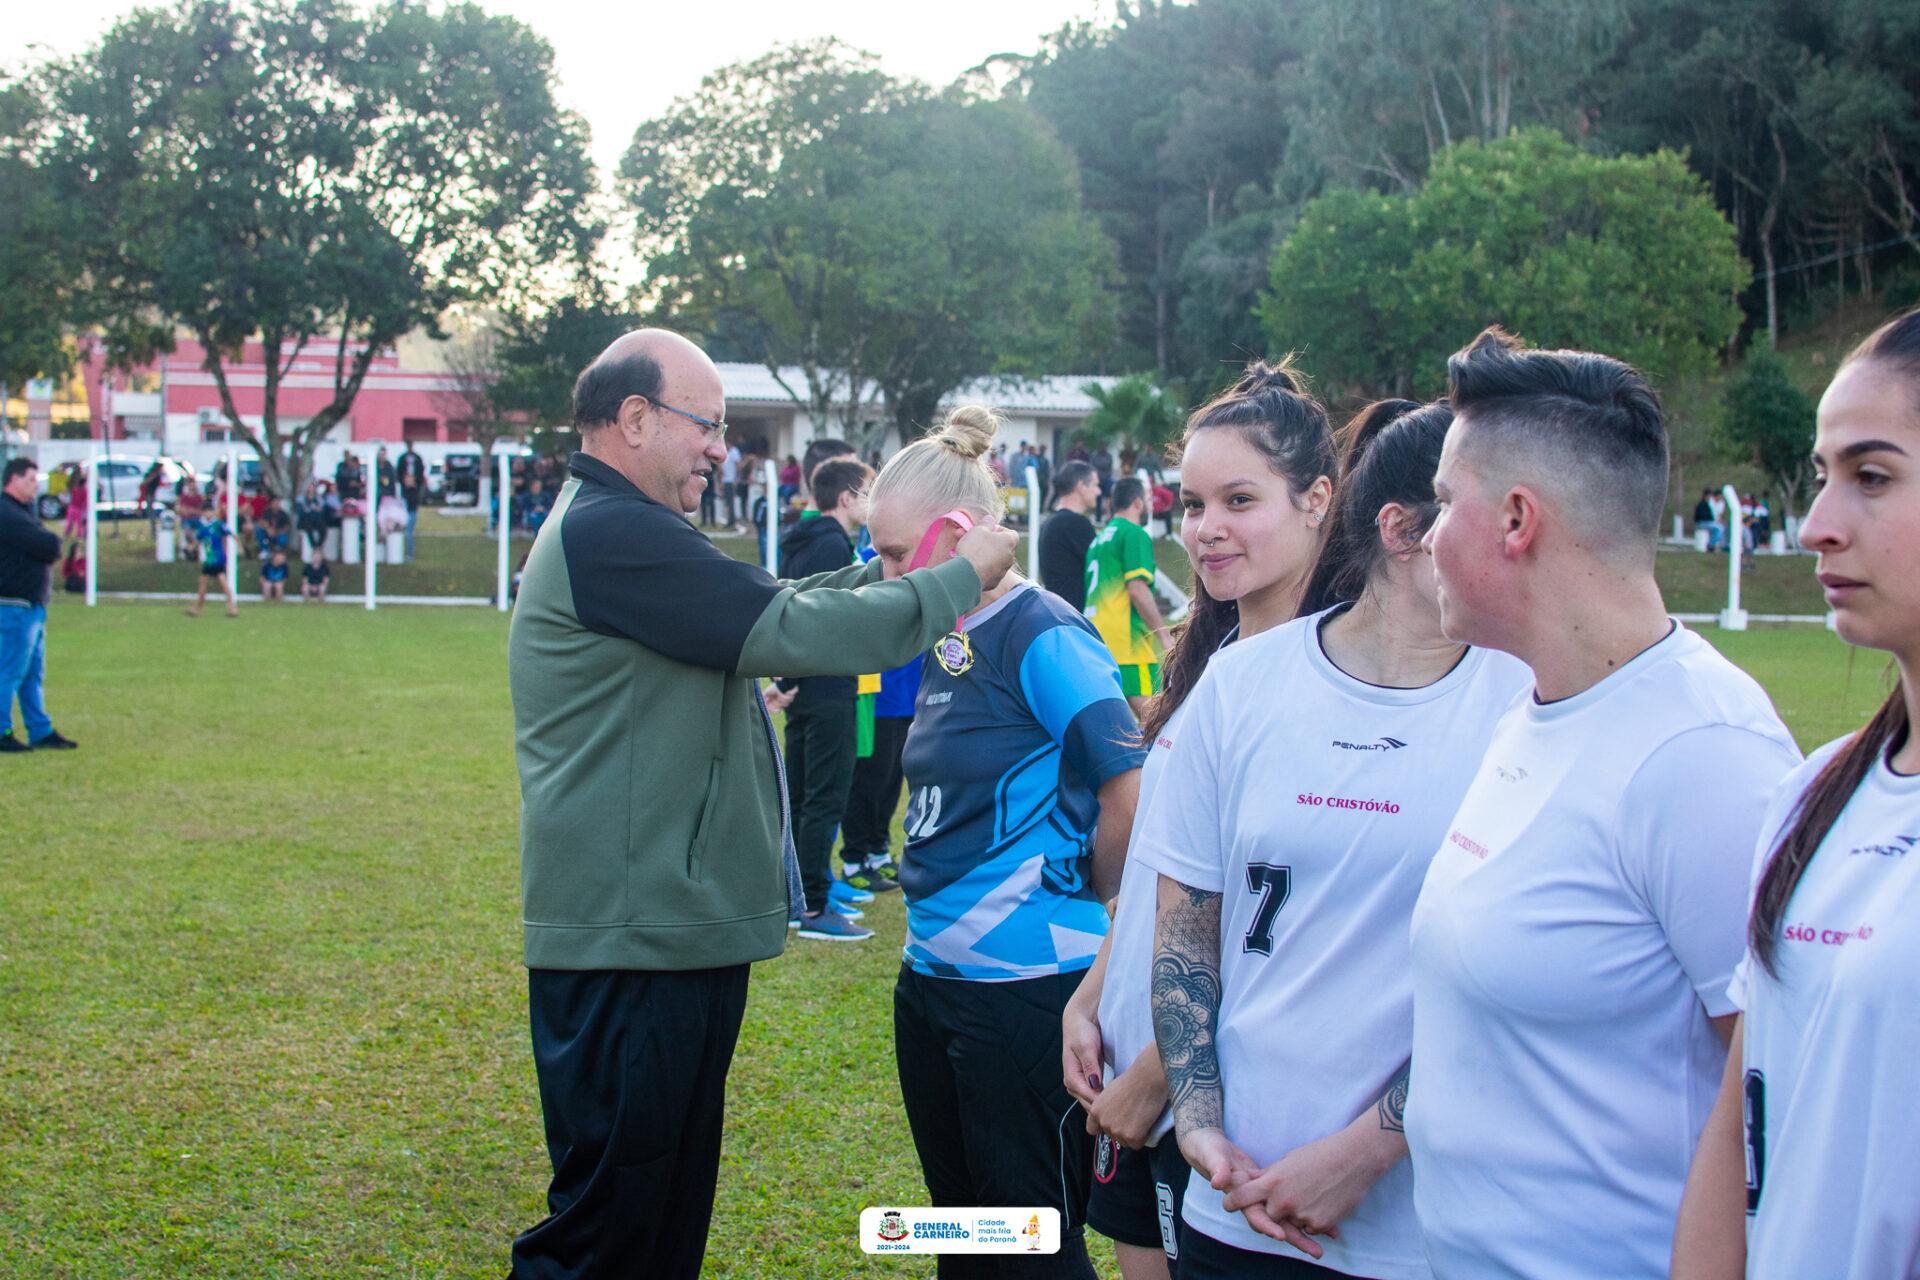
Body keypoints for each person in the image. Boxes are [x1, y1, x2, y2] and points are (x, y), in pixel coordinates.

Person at [506, 328, 1016, 1280]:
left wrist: (891, 568)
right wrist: (953, 581)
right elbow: (780, 627)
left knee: (656, 1221)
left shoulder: (629, 529)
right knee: (607, 1233)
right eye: (708, 425)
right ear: (634, 419)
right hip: (632, 940)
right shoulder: (610, 531)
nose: (719, 448)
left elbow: (771, 597)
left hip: (662, 932)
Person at [1406, 328, 1802, 1279]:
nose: (1424, 536)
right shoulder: (1534, 705)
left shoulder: (1704, 757)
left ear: (1515, 520)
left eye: (1441, 502)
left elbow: (1781, 1097)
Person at [1139, 394, 1534, 1280]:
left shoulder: (1527, 702)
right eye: (1504, 521)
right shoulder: (1241, 683)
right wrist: (1199, 1124)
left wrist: (1367, 1151)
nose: (1528, 551)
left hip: (1422, 1231)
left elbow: (1515, 985)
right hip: (1232, 1210)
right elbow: (1186, 925)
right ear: (1404, 530)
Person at [1062, 364, 1339, 1278]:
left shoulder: (1334, 686)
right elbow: (1165, 869)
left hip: (1207, 1099)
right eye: (1192, 503)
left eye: (1240, 500)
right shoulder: (1211, 663)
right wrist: (1095, 990)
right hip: (1135, 1064)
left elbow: (1276, 918)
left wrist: (1159, 1078)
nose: (1206, 528)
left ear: (1317, 502)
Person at [865, 403, 1143, 1280]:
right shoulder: (940, 628)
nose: (881, 571)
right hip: (933, 985)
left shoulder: (1042, 630)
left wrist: (1090, 895)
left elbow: (1127, 790)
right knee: (963, 1235)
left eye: (895, 555)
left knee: (1029, 1247)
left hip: (1025, 989)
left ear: (957, 535)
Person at [1672, 307, 1920, 1280]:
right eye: (1822, 475)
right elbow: (1741, 1131)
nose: (1818, 522)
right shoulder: (1812, 793)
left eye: (1872, 475)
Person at [772, 456, 878, 941]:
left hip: (802, 685)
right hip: (830, 684)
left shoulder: (798, 538)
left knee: (800, 797)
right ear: (846, 497)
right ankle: (813, 906)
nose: (871, 504)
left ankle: (796, 897)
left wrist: (787, 678)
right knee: (823, 799)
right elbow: (831, 618)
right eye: (868, 493)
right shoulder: (833, 544)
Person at [0, 458, 76, 754]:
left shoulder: (22, 512)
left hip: (31, 606)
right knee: (10, 671)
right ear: (14, 480)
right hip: (13, 605)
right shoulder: (7, 512)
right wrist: (50, 543)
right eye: (32, 480)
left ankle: (40, 730)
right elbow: (49, 546)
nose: (37, 486)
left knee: (32, 673)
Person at [1086, 476, 1168, 717]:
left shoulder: (1098, 539)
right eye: (1148, 498)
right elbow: (1138, 589)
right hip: (1126, 642)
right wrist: (1164, 636)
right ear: (1137, 502)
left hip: (1095, 637)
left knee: (1112, 721)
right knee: (1155, 718)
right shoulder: (1134, 533)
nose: (1152, 505)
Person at [1040, 461, 1100, 610]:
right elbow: (1104, 565)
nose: (1099, 491)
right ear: (1080, 487)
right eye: (1094, 485)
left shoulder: (1052, 521)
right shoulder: (1074, 523)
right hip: (1075, 615)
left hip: (1059, 612)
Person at [185, 507, 239, 618]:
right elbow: (198, 540)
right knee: (202, 586)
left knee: (224, 585)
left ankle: (233, 608)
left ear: (213, 512)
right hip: (209, 561)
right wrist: (192, 546)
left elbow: (231, 534)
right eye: (205, 511)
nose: (207, 513)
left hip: (218, 560)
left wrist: (239, 546)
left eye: (209, 511)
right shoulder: (203, 527)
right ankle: (196, 609)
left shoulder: (218, 525)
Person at [396, 444, 426, 559]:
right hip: (404, 512)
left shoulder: (414, 491)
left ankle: (409, 554)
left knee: (408, 533)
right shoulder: (402, 490)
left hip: (410, 512)